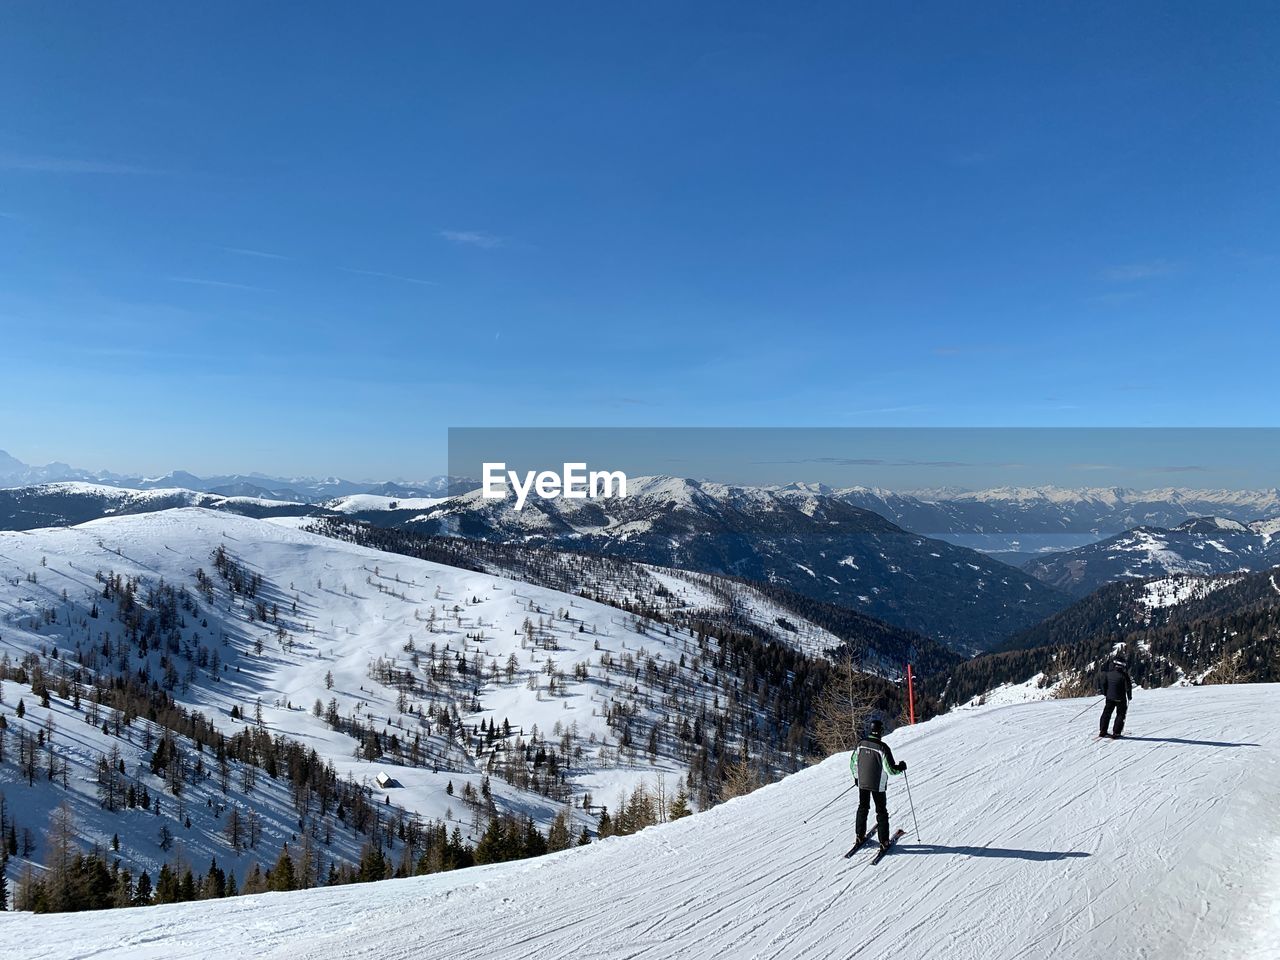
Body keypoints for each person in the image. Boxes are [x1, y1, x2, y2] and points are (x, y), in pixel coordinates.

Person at [852, 718, 906, 851]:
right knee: (881, 811)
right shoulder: (883, 748)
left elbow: (853, 763)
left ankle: (859, 836)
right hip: (878, 785)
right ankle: (884, 841)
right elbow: (890, 770)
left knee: (863, 807)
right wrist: (901, 767)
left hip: (863, 783)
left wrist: (857, 777)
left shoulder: (861, 744)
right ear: (880, 731)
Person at [1098, 657, 1134, 738]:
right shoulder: (1124, 675)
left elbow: (1104, 684)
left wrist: (1105, 693)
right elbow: (1128, 687)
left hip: (1109, 697)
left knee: (1106, 713)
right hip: (1121, 698)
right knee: (1120, 714)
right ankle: (1116, 732)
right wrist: (1129, 696)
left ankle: (1103, 731)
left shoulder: (1108, 674)